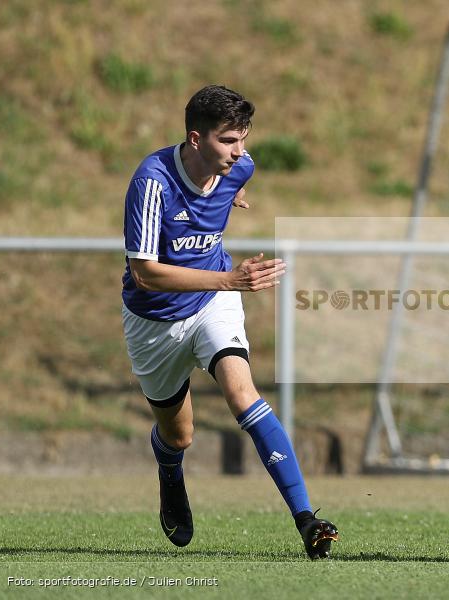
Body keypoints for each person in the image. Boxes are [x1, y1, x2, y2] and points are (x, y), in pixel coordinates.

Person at [121, 85, 338, 559]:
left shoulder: (239, 164)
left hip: (211, 304)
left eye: (243, 139)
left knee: (244, 394)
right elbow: (144, 273)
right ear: (196, 139)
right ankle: (170, 468)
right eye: (228, 141)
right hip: (153, 320)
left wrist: (235, 190)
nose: (240, 151)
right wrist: (229, 280)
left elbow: (242, 172)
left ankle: (306, 520)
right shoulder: (152, 181)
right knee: (180, 435)